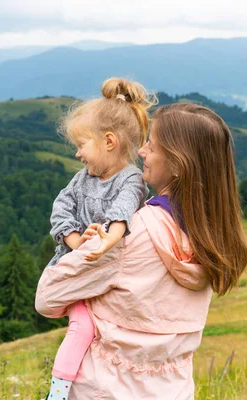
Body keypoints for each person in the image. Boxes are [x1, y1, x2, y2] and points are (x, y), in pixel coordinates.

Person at [36, 103, 247, 399]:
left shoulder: (134, 232)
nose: (141, 151)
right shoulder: (211, 236)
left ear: (178, 163)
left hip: (104, 389)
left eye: (153, 144)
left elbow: (47, 298)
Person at [43, 77, 155, 399]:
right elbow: (60, 208)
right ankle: (59, 391)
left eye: (82, 144)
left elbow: (123, 209)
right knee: (82, 328)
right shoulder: (82, 179)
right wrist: (77, 240)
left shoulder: (131, 180)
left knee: (93, 333)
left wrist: (107, 239)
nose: (78, 154)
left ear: (109, 141)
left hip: (109, 275)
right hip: (80, 270)